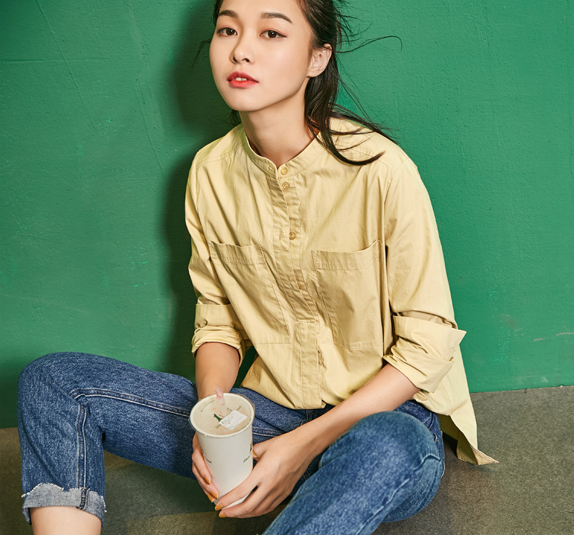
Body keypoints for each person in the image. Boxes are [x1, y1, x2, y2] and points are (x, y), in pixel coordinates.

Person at [17, 0, 495, 534]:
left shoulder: (380, 170)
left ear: (317, 58)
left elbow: (428, 342)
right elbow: (219, 317)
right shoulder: (210, 173)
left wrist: (303, 447)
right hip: (264, 417)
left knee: (390, 444)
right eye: (228, 29)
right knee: (54, 381)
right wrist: (213, 420)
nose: (241, 50)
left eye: (271, 33)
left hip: (380, 424)